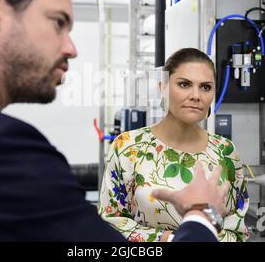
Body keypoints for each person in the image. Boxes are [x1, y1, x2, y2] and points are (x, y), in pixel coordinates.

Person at [0, 0, 228, 242]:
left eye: (205, 86)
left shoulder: (223, 152)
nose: (71, 48)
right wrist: (202, 214)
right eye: (58, 23)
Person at [99, 48, 249, 242]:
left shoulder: (225, 151)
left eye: (205, 87)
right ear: (163, 87)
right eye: (184, 84)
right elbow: (110, 222)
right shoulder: (128, 147)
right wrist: (171, 239)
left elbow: (237, 231)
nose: (196, 95)